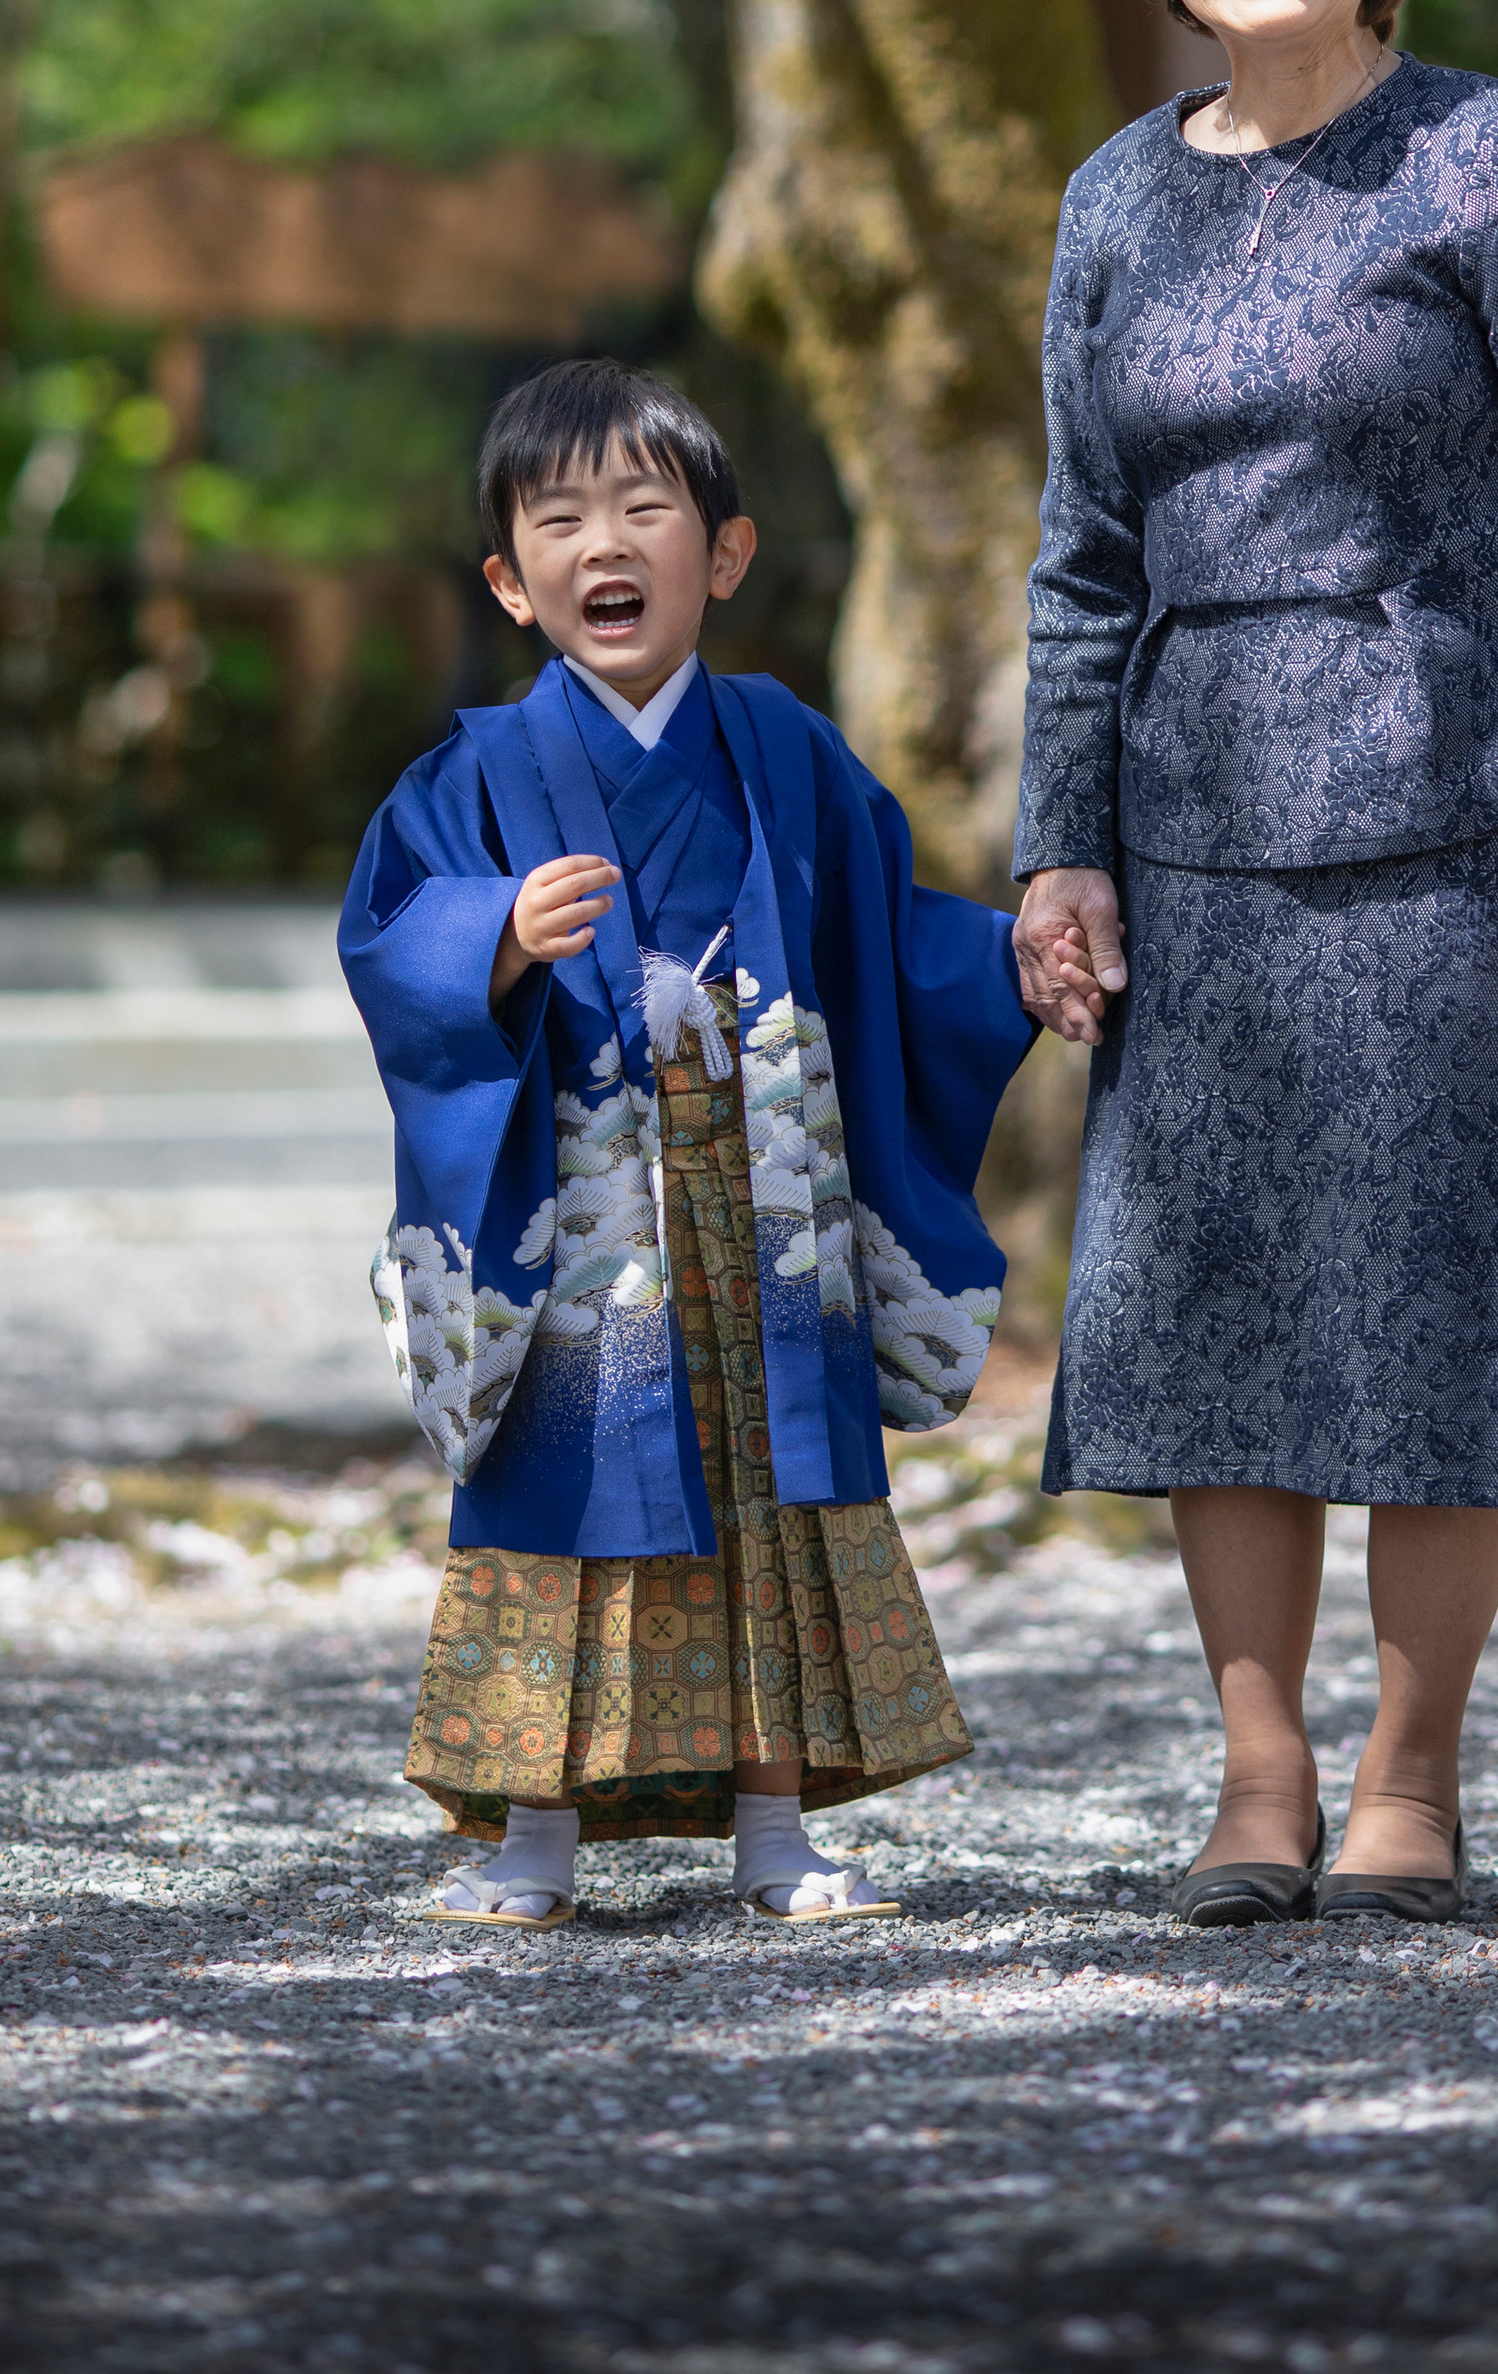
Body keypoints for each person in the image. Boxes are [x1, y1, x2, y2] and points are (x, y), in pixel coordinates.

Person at [1013, 0, 1498, 1929]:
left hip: (1453, 825)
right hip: (1192, 833)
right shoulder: (1112, 200)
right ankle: (1255, 1774)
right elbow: (1079, 554)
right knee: (1208, 1324)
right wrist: (1058, 842)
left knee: (1431, 1310)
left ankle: (1412, 1772)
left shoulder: (1488, 162)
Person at [341, 357, 1034, 1929]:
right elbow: (395, 942)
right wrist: (498, 939)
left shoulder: (785, 751)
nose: (607, 542)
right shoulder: (476, 776)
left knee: (768, 1489)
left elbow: (886, 932)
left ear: (721, 555)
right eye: (562, 518)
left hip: (763, 1191)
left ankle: (776, 1830)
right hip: (584, 1209)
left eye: (645, 507)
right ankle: (530, 1837)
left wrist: (1007, 966)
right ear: (512, 584)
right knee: (564, 1488)